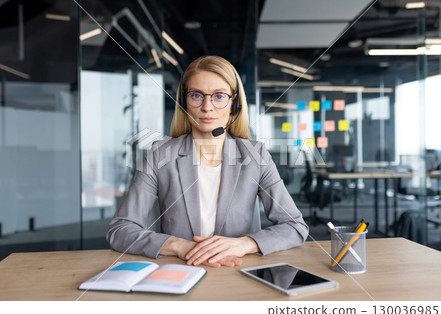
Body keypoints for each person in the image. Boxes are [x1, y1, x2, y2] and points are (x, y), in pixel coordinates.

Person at [107, 56, 309, 268]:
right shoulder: (160, 155)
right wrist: (178, 246)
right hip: (181, 272)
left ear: (234, 104)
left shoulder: (255, 155)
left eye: (219, 96)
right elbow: (121, 229)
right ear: (185, 103)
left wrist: (244, 244)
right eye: (196, 96)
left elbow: (294, 226)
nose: (207, 107)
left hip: (239, 272)